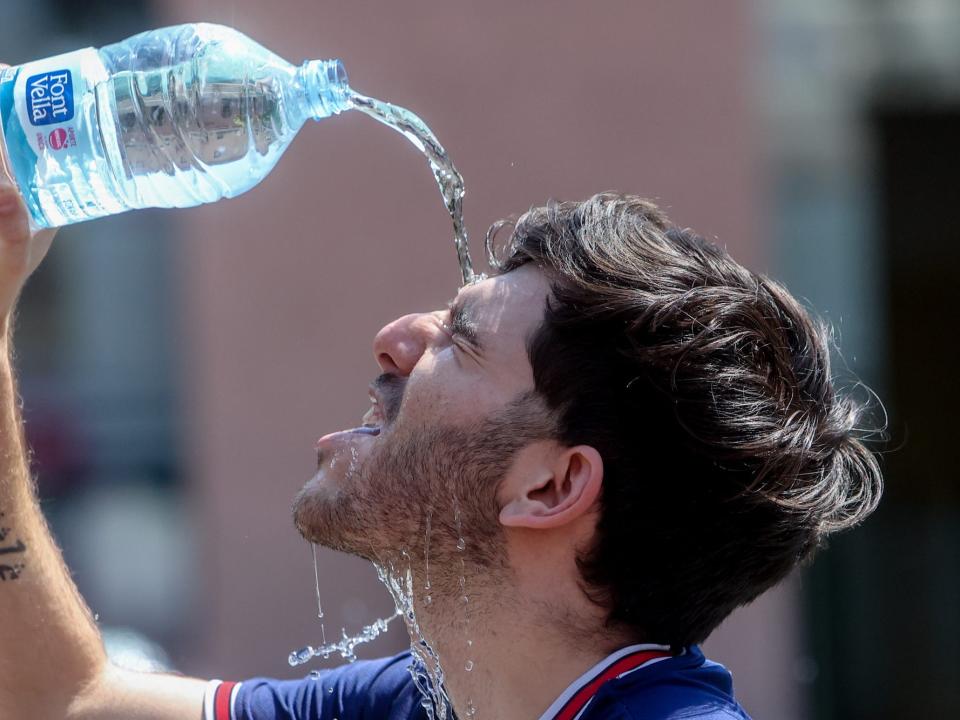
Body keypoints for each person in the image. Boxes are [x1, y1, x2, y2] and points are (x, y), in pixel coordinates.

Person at [0, 167, 882, 718]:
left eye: (460, 340)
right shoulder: (425, 701)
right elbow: (59, 700)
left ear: (549, 488)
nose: (392, 338)